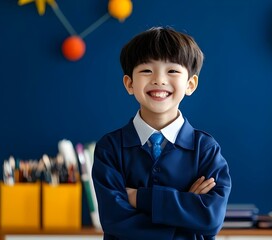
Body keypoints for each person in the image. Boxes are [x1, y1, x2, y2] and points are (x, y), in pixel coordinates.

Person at [91, 26, 232, 240]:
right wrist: (186, 218)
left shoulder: (206, 149)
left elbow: (210, 219)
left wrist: (139, 198)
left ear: (190, 84)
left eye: (172, 71)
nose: (159, 80)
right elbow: (114, 220)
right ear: (129, 84)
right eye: (147, 70)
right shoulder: (109, 148)